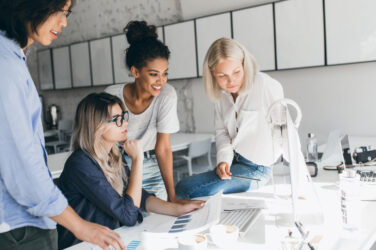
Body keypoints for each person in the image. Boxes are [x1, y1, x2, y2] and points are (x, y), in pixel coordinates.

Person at [0, 1, 125, 250]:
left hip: (21, 227)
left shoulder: (7, 58)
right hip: (13, 231)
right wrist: (79, 226)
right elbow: (22, 167)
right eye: (57, 11)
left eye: (66, 13)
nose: (64, 22)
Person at [56, 93, 205, 249]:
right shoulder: (81, 164)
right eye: (117, 120)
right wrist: (137, 160)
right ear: (97, 126)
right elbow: (128, 214)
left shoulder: (112, 154)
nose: (125, 123)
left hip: (112, 239)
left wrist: (177, 209)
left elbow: (137, 195)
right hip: (83, 246)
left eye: (124, 116)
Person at [105, 20, 200, 205]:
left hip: (151, 165)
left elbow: (163, 148)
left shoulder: (166, 95)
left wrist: (172, 197)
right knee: (127, 221)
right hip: (118, 168)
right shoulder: (111, 95)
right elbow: (102, 141)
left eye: (165, 73)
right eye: (154, 74)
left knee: (159, 223)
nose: (161, 80)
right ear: (135, 71)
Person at [176, 38, 284, 199]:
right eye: (222, 76)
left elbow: (286, 132)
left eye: (236, 72)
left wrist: (302, 184)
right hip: (234, 162)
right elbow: (222, 133)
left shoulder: (265, 85)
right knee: (183, 188)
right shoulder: (221, 97)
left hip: (258, 170)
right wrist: (223, 161)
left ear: (244, 65)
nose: (231, 81)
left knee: (185, 188)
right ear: (212, 73)